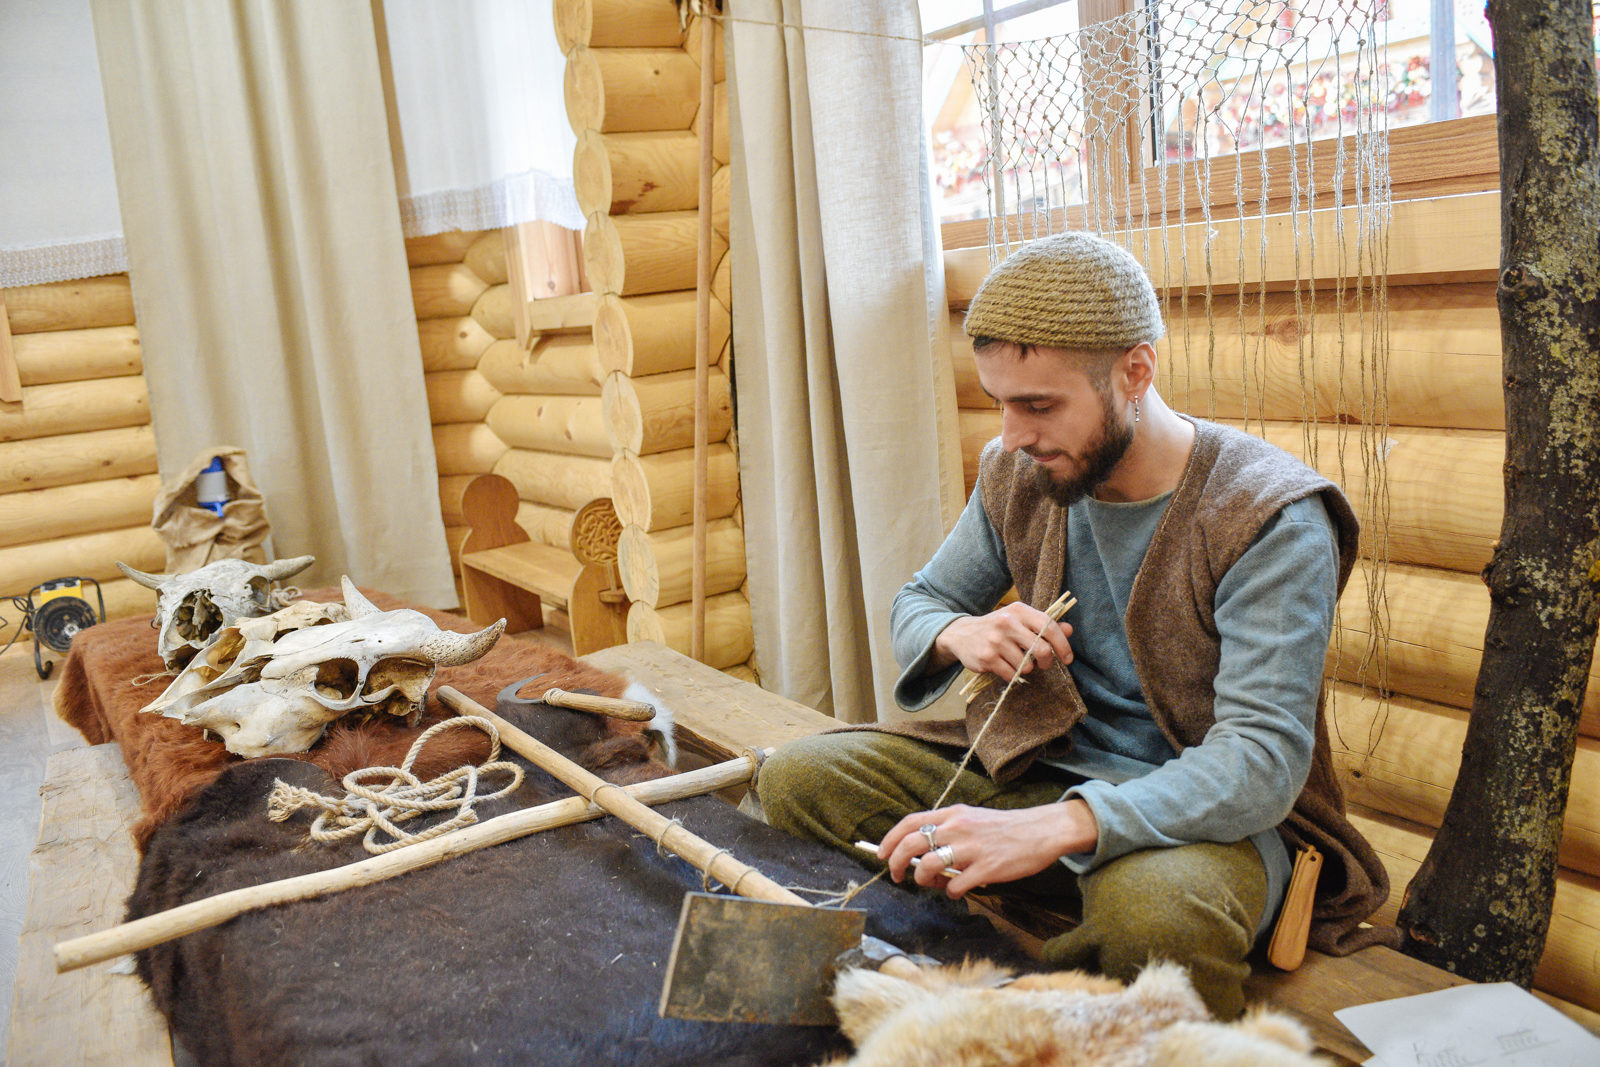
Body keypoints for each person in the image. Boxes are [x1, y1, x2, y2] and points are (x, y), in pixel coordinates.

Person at [755, 231, 1392, 1019]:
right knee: (798, 778)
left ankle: (1031, 1004)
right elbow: (917, 604)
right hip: (1045, 773)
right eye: (1000, 403)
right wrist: (963, 634)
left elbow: (1259, 761)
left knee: (1155, 920)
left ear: (1135, 370)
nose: (1014, 434)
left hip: (1206, 821)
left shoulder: (1268, 518)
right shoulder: (1019, 470)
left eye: (1039, 405)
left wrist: (1061, 826)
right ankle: (947, 992)